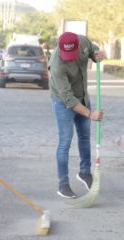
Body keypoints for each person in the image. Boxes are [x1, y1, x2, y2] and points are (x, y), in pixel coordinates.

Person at [48, 32, 105, 199]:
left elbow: (93, 51)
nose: (69, 59)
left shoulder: (82, 41)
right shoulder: (56, 64)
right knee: (65, 141)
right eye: (66, 56)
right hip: (63, 102)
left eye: (72, 55)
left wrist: (97, 55)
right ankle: (63, 184)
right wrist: (90, 114)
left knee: (85, 136)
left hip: (83, 96)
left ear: (77, 46)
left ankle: (85, 173)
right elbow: (67, 98)